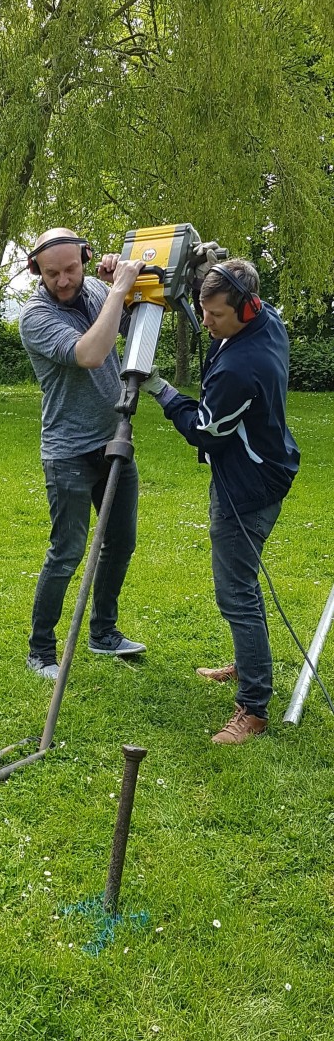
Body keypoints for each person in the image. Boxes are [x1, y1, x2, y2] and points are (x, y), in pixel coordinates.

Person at [140, 258, 299, 744]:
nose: (204, 322)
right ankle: (248, 665)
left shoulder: (240, 368)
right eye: (202, 309)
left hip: (248, 488)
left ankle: (253, 708)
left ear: (246, 308)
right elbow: (212, 284)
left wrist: (161, 390)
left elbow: (205, 432)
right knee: (242, 587)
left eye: (215, 315)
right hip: (267, 467)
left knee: (236, 593)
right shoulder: (266, 319)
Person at [18, 227, 147, 680]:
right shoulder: (35, 316)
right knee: (67, 552)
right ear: (36, 271)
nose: (64, 280)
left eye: (71, 269)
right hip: (68, 452)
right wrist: (119, 291)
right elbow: (90, 353)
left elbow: (130, 327)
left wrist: (125, 291)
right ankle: (40, 650)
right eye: (51, 273)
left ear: (86, 259)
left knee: (121, 542)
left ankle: (103, 633)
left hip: (114, 442)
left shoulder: (95, 289)